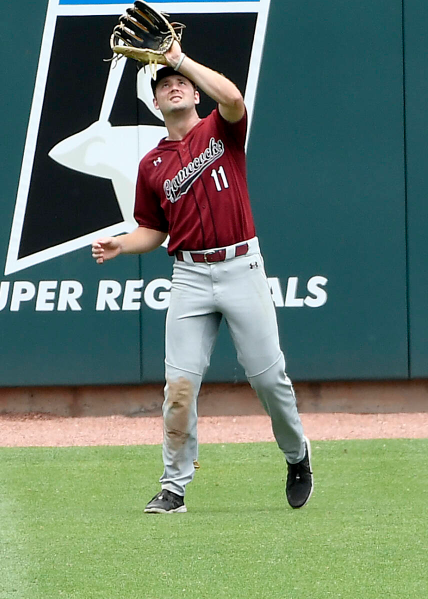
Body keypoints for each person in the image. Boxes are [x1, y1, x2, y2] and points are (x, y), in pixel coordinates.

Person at [91, 39, 313, 514]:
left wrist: (180, 60)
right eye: (165, 86)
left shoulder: (221, 130)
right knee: (179, 388)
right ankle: (174, 487)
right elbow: (153, 229)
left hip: (240, 266)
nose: (173, 88)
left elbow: (233, 99)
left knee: (268, 378)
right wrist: (121, 244)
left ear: (194, 95)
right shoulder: (151, 165)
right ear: (154, 103)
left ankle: (297, 456)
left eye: (181, 85)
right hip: (190, 276)